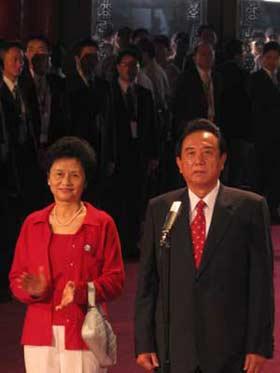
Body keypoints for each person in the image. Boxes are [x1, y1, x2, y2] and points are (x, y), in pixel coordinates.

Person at [135, 119, 274, 373]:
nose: (198, 160)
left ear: (222, 161)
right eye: (190, 153)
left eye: (207, 153)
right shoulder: (161, 209)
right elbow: (148, 282)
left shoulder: (250, 208)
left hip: (231, 350)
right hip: (174, 350)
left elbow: (261, 283)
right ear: (179, 164)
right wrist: (144, 342)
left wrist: (258, 344)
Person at [9, 136, 125, 373]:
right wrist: (32, 290)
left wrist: (83, 291)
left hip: (83, 332)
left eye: (74, 175)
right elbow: (16, 278)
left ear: (85, 181)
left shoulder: (101, 224)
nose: (66, 181)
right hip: (39, 335)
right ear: (48, 179)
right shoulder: (33, 224)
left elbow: (116, 280)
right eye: (59, 174)